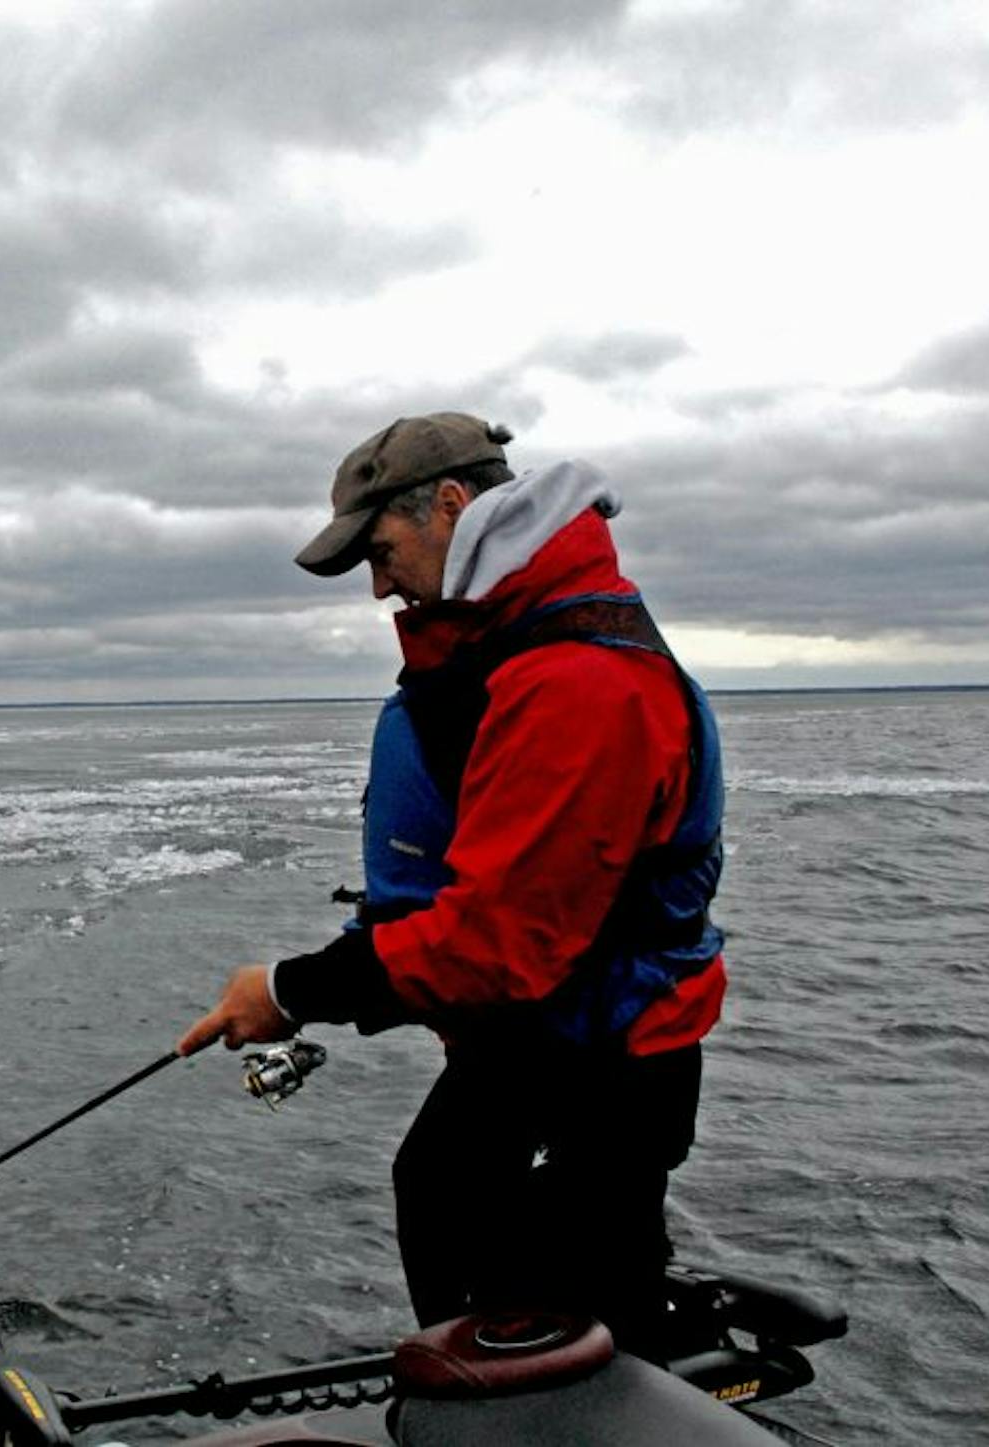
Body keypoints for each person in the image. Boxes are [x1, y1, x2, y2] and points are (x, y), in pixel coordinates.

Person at [177, 413, 727, 1362]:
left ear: (451, 505)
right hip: (533, 1033)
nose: (380, 585)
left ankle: (591, 1391)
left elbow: (500, 938)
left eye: (382, 552)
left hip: (613, 1052)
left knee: (564, 1303)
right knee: (439, 1188)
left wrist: (288, 992)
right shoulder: (512, 651)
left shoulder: (581, 686)